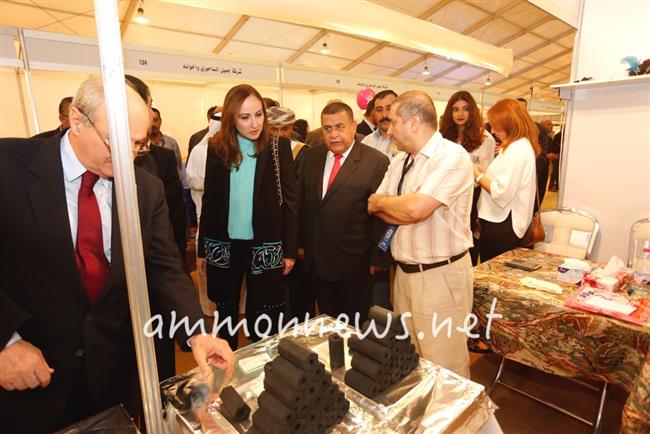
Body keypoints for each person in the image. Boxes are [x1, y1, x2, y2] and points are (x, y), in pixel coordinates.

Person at [0, 77, 233, 433]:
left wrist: (196, 332)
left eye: (138, 144)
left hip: (111, 379)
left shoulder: (146, 188)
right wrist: (5, 341)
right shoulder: (9, 166)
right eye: (116, 142)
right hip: (29, 381)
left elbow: (165, 269)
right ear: (77, 119)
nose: (128, 156)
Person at [368, 91, 474, 378]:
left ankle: (454, 412)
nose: (388, 129)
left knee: (446, 368)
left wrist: (397, 205)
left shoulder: (452, 157)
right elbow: (374, 204)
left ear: (413, 122)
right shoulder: (400, 160)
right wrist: (399, 205)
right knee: (412, 362)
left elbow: (415, 209)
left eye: (393, 121)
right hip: (404, 276)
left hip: (441, 276)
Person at [197, 84, 298, 350]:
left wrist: (290, 249)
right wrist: (202, 249)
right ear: (231, 118)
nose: (255, 124)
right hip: (223, 242)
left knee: (264, 312)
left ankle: (263, 363)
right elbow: (210, 199)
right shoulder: (216, 147)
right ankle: (224, 362)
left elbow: (291, 200)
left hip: (264, 242)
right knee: (225, 309)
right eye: (245, 117)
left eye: (259, 114)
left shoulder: (277, 146)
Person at [301, 101, 389, 324]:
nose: (333, 135)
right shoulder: (312, 157)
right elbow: (303, 204)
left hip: (356, 264)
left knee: (354, 327)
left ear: (353, 126)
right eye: (327, 128)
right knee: (327, 324)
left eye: (340, 127)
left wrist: (378, 259)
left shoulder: (376, 161)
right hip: (317, 262)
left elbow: (380, 216)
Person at [474, 99, 539, 262]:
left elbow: (501, 193)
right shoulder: (515, 146)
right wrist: (486, 173)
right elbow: (507, 179)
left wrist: (478, 176)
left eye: (496, 126)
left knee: (492, 271)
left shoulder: (517, 149)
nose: (493, 131)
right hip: (501, 221)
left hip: (503, 224)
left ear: (510, 124)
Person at [439, 91, 496, 266]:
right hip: (444, 194)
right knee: (444, 239)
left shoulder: (485, 138)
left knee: (466, 240)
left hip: (470, 196)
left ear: (473, 112)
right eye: (455, 109)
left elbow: (485, 173)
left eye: (465, 109)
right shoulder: (442, 135)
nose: (460, 114)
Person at [516, 97, 550, 203]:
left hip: (530, 179)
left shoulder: (539, 130)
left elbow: (542, 160)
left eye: (522, 109)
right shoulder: (505, 128)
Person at [267, 106, 309, 183]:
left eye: (284, 129)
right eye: (274, 129)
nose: (279, 134)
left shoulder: (302, 151)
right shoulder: (262, 150)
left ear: (292, 128)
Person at [362, 90, 399, 160]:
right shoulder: (366, 142)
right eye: (379, 110)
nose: (384, 115)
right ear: (373, 113)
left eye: (389, 109)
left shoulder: (406, 143)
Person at [149, 107, 183, 175]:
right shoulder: (143, 145)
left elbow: (178, 168)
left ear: (160, 121)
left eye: (155, 120)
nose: (153, 124)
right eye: (150, 121)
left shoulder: (172, 143)